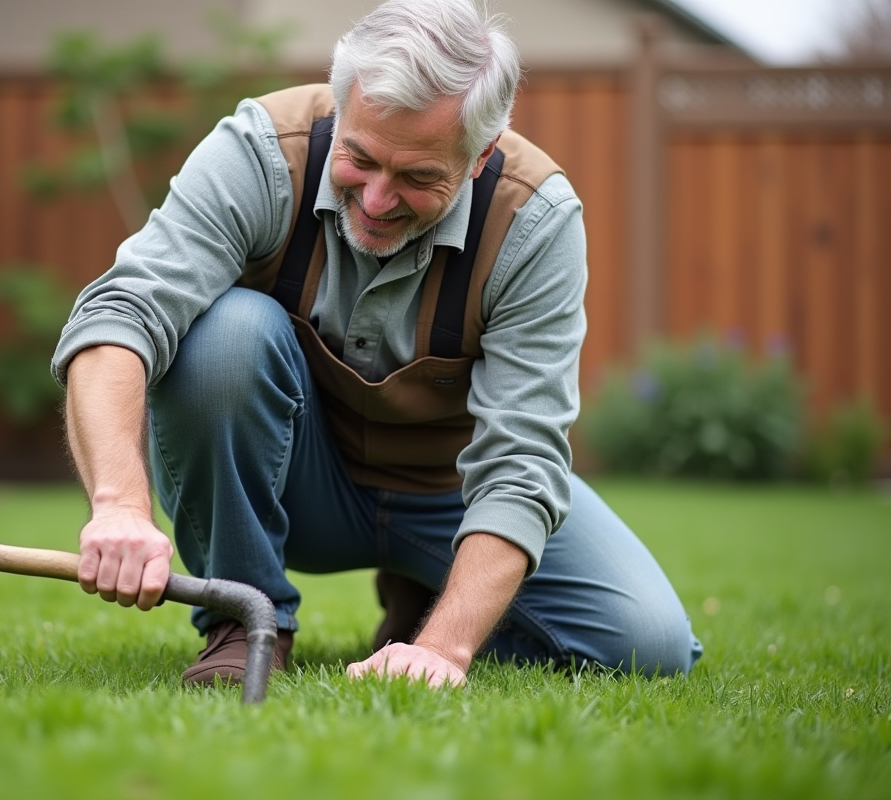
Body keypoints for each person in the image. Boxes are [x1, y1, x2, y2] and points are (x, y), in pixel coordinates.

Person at [52, 0, 702, 689]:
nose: (377, 199)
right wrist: (120, 505)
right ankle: (245, 624)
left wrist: (444, 649)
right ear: (339, 107)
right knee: (223, 335)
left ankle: (427, 604)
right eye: (359, 158)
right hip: (295, 481)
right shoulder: (263, 152)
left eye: (419, 177)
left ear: (481, 155)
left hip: (450, 495)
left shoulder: (534, 221)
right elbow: (119, 315)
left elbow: (522, 460)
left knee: (651, 646)